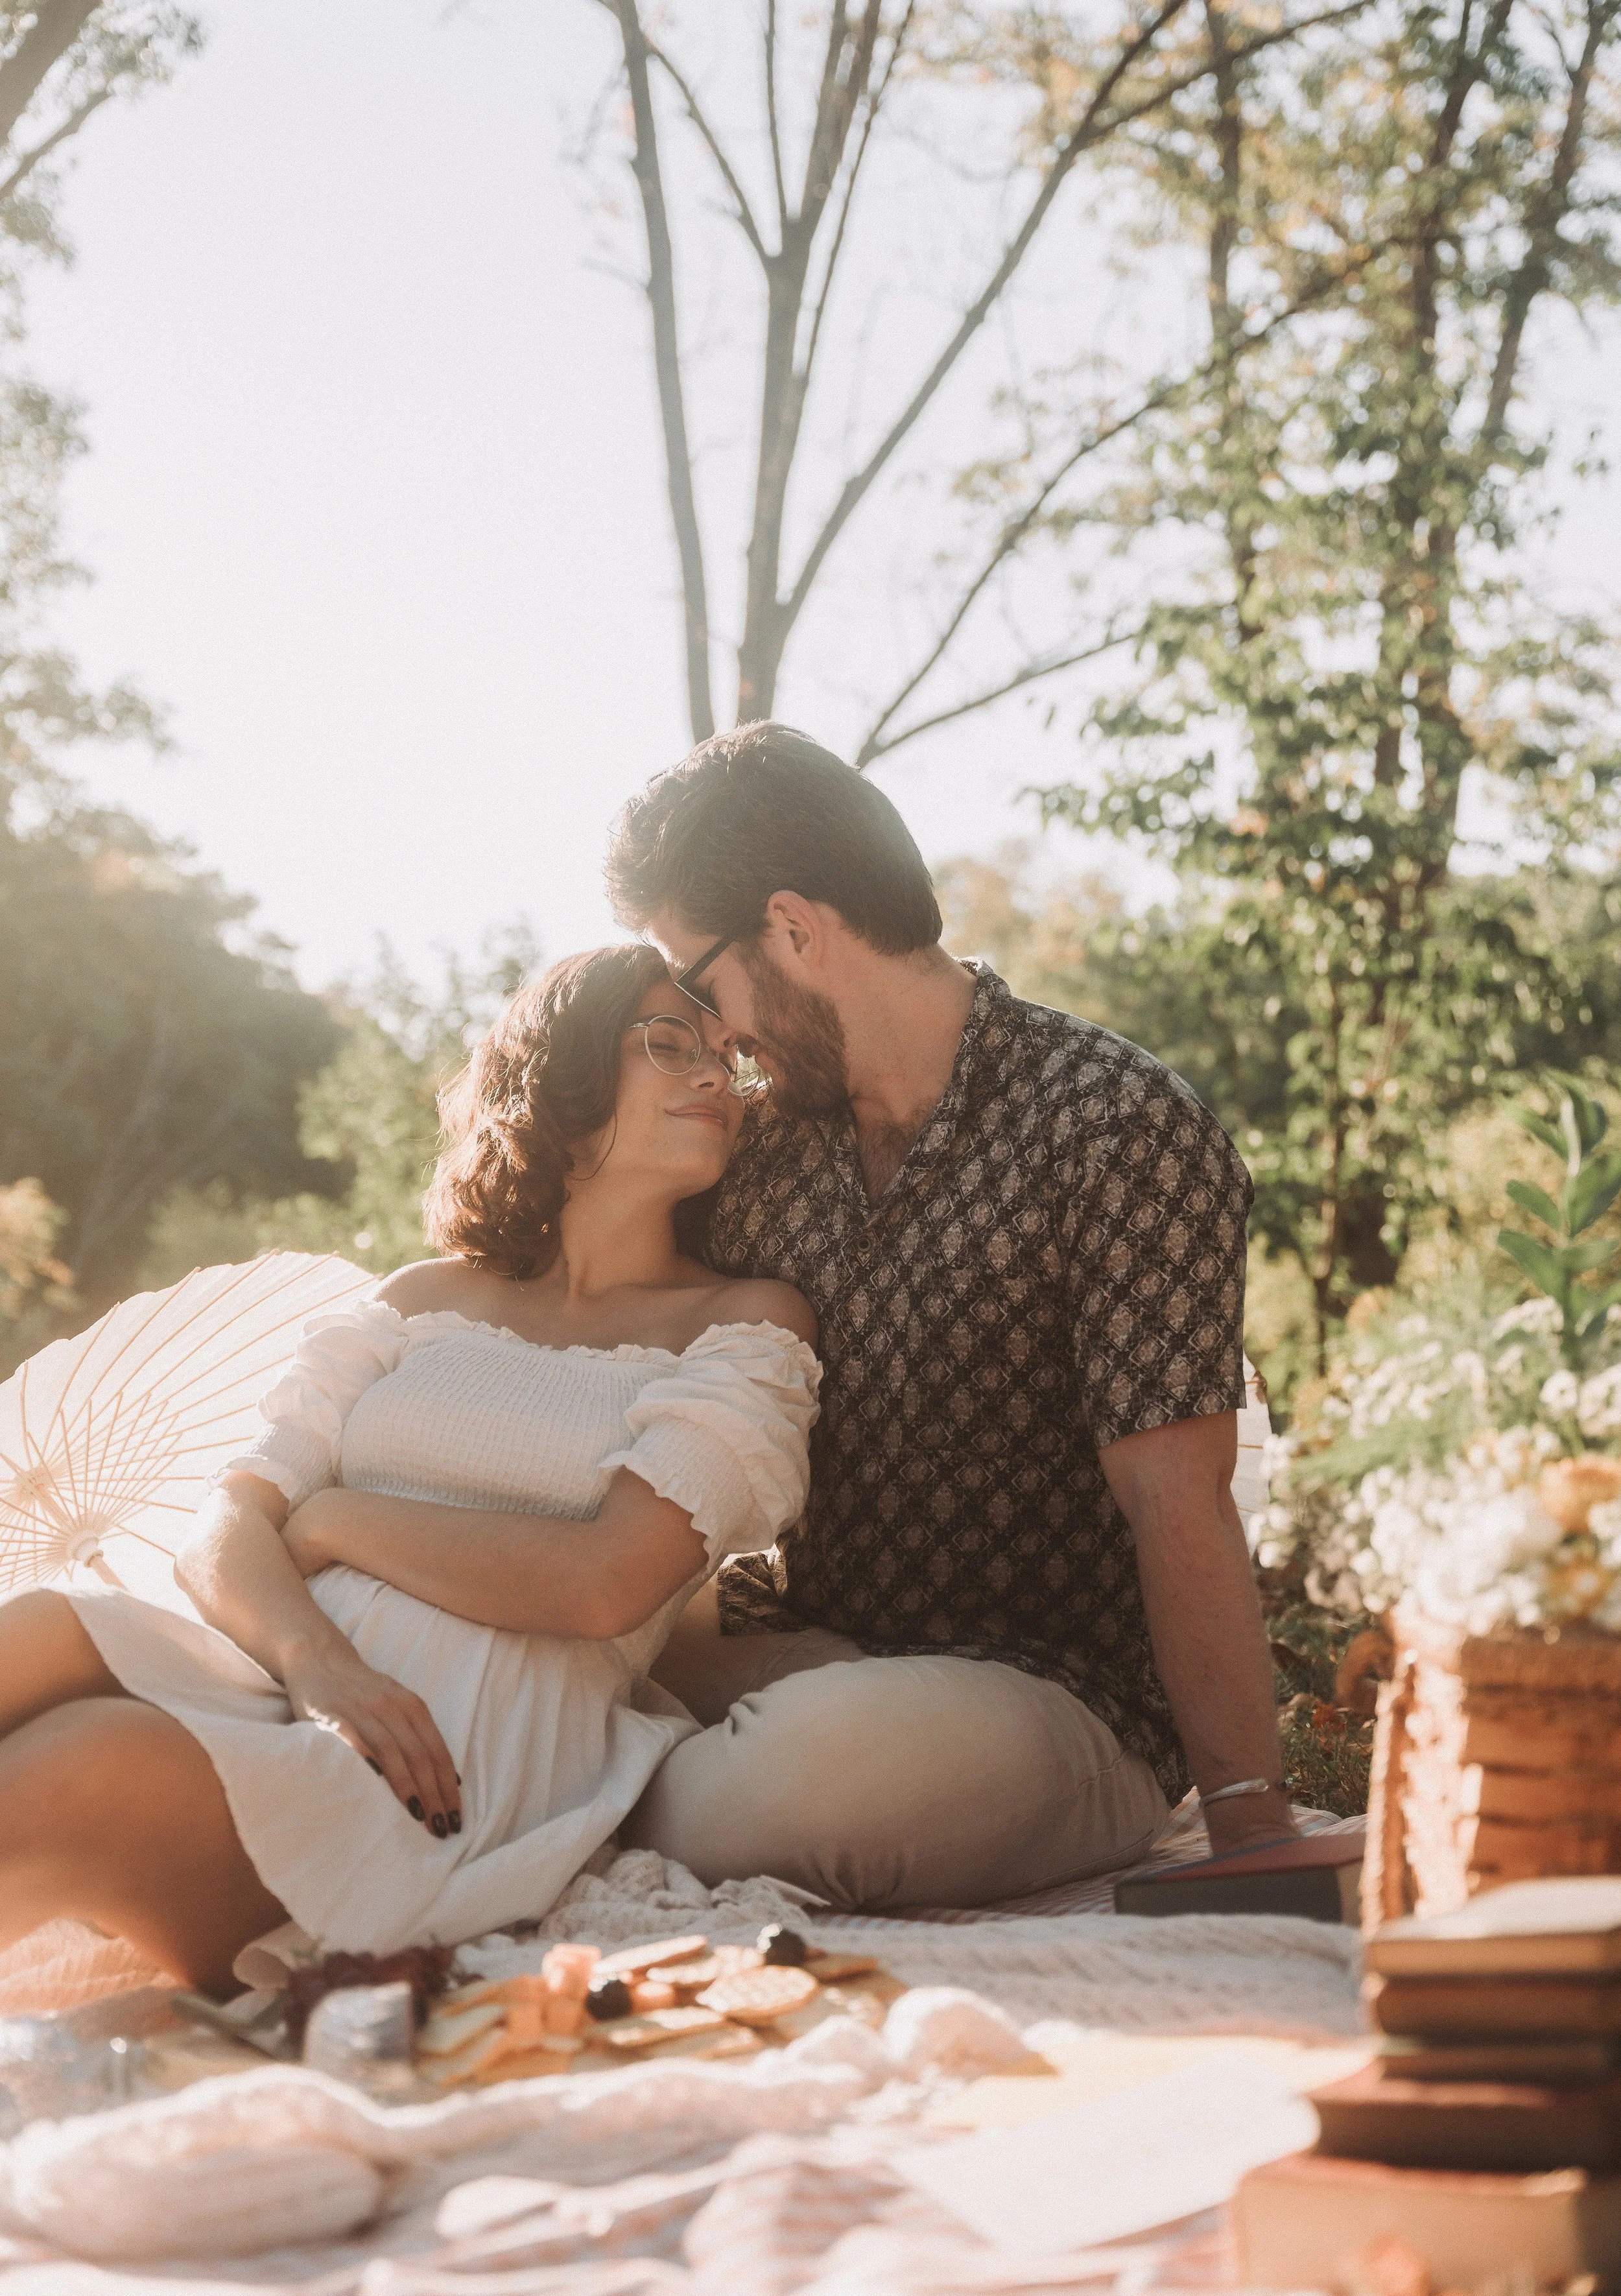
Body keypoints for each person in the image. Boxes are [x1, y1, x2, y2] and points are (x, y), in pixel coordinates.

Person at [0, 947, 818, 1993]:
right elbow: (230, 1521)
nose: (715, 1076)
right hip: (282, 1678)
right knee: (34, 1629)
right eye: (668, 1044)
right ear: (561, 1081)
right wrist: (319, 1666)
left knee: (84, 1762)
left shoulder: (742, 1326)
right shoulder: (419, 1301)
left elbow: (604, 1582)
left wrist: (340, 1519)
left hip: (444, 1760)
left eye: (724, 1060)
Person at [605, 722, 1294, 1912]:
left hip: (1054, 1699)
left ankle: (587, 1792)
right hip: (796, 1660)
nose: (715, 1037)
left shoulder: (1115, 1126)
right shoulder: (760, 1156)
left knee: (780, 1785)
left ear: (796, 930)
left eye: (704, 984)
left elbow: (1175, 1504)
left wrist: (1252, 1830)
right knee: (550, 1652)